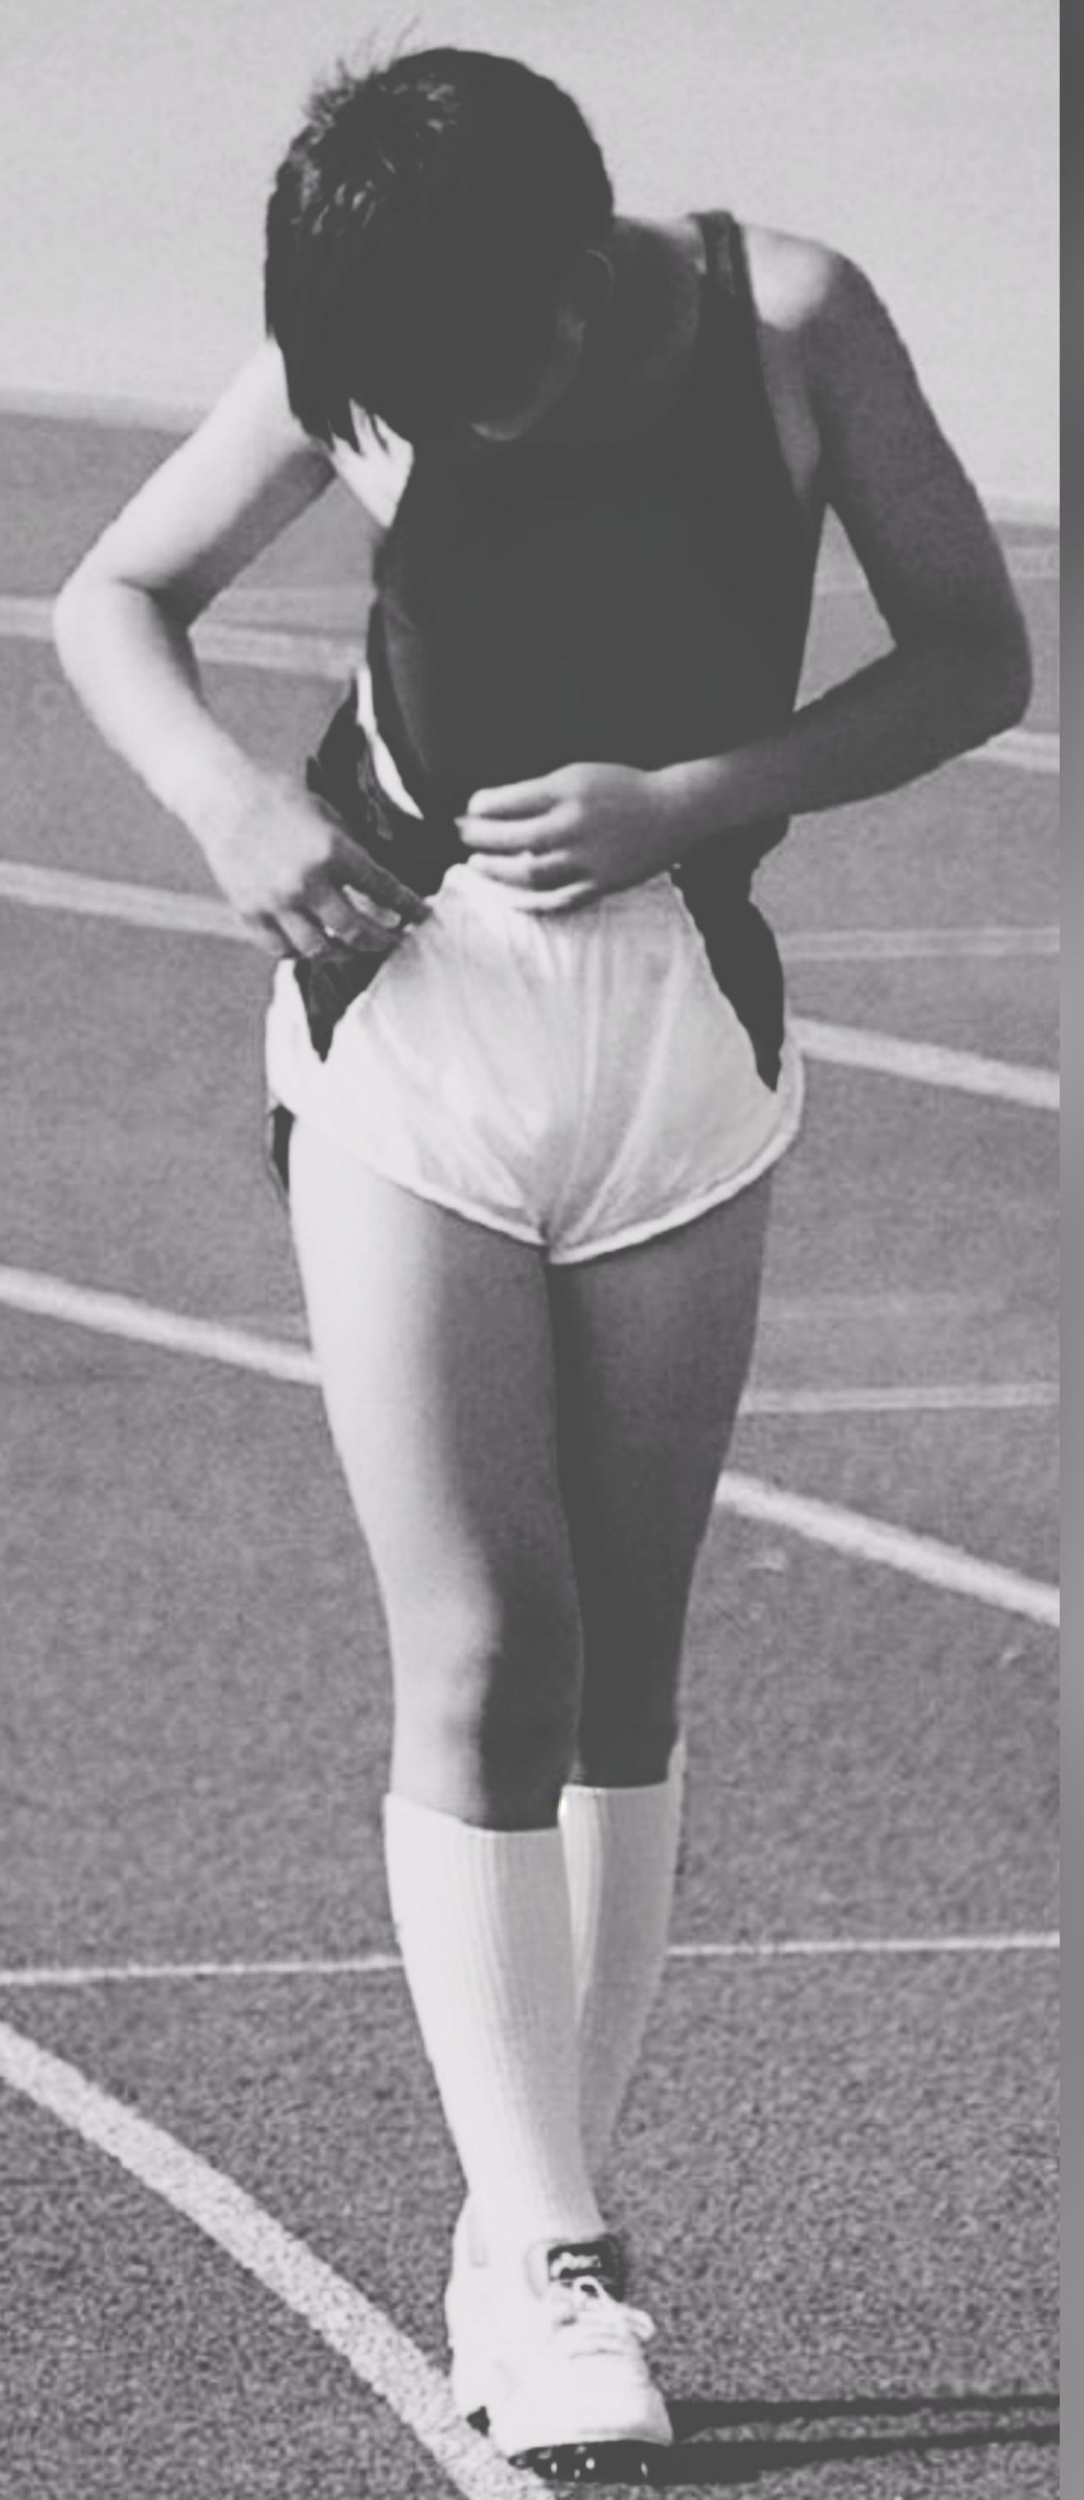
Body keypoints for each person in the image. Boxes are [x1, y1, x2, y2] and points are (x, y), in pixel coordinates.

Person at [53, 43, 1031, 2469]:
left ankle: (527, 2230)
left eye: (451, 375)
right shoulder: (379, 323)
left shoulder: (788, 322)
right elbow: (117, 594)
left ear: (574, 281)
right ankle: (565, 2247)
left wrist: (698, 791)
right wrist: (228, 808)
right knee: (486, 1646)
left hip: (678, 1045)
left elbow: (969, 656)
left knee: (622, 1663)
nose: (412, 415)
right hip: (410, 1037)